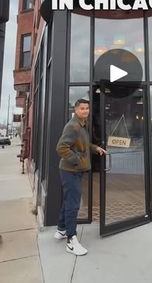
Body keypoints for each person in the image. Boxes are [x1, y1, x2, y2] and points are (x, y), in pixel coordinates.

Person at [54, 98, 106, 256]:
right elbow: (61, 148)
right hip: (70, 171)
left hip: (73, 171)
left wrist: (95, 148)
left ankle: (61, 229)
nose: (85, 111)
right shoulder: (73, 126)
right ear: (76, 110)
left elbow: (82, 145)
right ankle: (71, 240)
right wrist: (78, 160)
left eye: (87, 108)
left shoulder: (82, 125)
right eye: (82, 108)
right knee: (73, 204)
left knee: (69, 200)